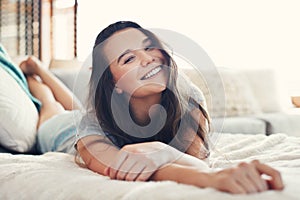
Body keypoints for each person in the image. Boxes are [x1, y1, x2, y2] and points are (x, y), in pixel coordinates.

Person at [21, 21, 284, 194]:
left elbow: (196, 161)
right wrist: (210, 180)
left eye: (149, 47)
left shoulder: (188, 98)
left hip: (86, 118)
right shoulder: (89, 128)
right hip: (59, 131)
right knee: (50, 109)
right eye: (129, 58)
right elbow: (128, 167)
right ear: (113, 83)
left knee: (73, 108)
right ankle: (36, 76)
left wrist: (161, 151)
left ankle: (38, 70)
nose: (148, 59)